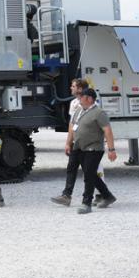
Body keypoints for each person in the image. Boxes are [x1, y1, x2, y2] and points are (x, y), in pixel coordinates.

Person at [66, 88, 117, 214]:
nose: (79, 99)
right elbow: (72, 128)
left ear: (89, 98)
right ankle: (108, 196)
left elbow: (108, 131)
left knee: (88, 175)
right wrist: (68, 143)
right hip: (78, 147)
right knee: (86, 172)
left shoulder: (99, 113)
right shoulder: (78, 110)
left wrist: (111, 149)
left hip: (93, 148)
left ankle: (86, 203)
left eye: (81, 97)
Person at [52, 78, 92, 206]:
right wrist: (68, 142)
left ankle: (101, 194)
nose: (71, 88)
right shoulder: (74, 103)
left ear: (80, 89)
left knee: (91, 170)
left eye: (73, 86)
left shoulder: (90, 102)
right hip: (77, 142)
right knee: (71, 168)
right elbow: (71, 124)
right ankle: (66, 195)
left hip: (89, 142)